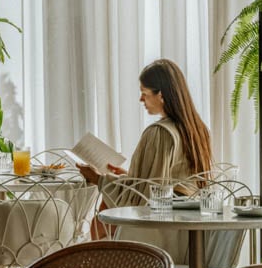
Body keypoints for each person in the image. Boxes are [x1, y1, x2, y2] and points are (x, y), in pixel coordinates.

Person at [78, 58, 213, 189]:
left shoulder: (159, 133)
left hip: (164, 209)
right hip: (189, 208)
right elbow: (162, 182)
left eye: (144, 93)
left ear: (161, 95)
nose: (141, 99)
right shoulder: (198, 128)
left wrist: (98, 178)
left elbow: (148, 196)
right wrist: (131, 177)